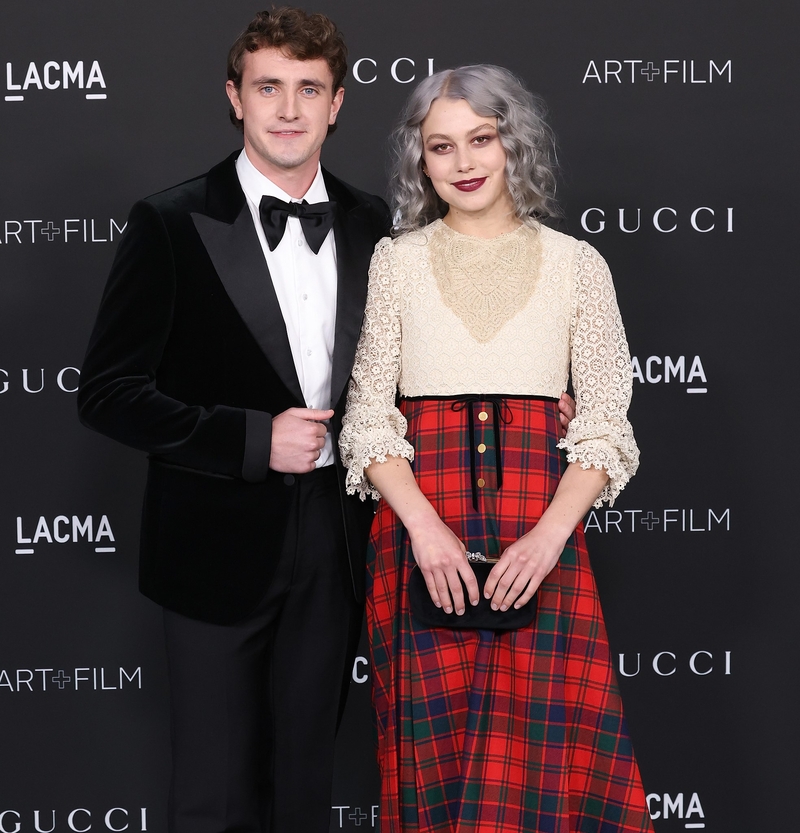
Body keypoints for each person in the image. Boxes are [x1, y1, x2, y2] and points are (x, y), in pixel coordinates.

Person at [77, 9, 393, 833]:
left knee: (304, 789)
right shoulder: (169, 221)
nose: (288, 109)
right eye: (268, 88)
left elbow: (416, 378)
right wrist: (253, 438)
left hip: (340, 540)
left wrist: (534, 408)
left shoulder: (379, 227)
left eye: (308, 89)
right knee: (212, 794)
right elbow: (107, 391)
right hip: (211, 544)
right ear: (235, 97)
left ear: (337, 103)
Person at [340, 65, 654, 832]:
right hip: (421, 538)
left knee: (550, 768)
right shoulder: (397, 261)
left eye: (481, 139)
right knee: (432, 765)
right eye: (441, 146)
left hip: (539, 534)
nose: (465, 161)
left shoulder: (579, 265)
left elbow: (608, 421)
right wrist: (423, 528)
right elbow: (368, 418)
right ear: (422, 161)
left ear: (514, 143)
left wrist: (550, 536)